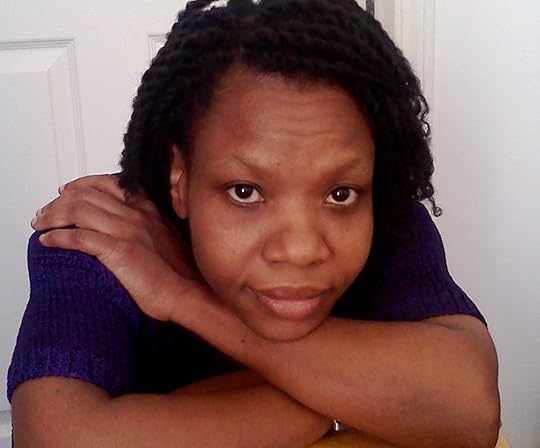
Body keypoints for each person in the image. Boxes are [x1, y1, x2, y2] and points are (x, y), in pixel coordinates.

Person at [7, 0, 500, 446]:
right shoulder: (103, 238)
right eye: (245, 192)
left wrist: (183, 297)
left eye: (339, 193)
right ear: (179, 179)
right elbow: (55, 439)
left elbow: (470, 408)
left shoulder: (387, 221)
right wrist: (364, 401)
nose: (301, 249)